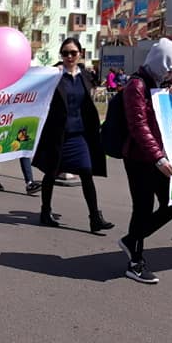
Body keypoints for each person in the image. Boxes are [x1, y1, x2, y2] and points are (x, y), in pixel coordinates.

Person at [117, 38, 172, 284]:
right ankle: (135, 262)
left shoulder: (160, 85)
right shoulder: (136, 85)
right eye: (170, 68)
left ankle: (131, 240)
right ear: (159, 63)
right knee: (143, 208)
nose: (171, 74)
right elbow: (139, 126)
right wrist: (158, 157)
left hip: (158, 157)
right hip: (139, 158)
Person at [33, 38, 114, 233]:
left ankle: (95, 218)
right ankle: (45, 211)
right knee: (51, 173)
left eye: (73, 53)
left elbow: (90, 102)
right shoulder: (54, 75)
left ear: (80, 54)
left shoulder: (85, 76)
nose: (69, 56)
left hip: (79, 134)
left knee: (86, 171)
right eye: (65, 53)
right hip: (57, 134)